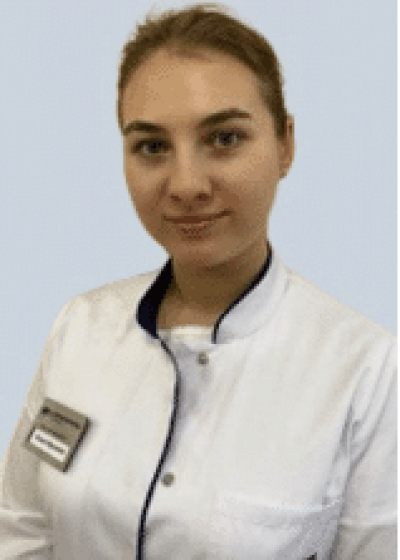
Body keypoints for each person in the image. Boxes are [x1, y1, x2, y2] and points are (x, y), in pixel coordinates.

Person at [0, 3, 396, 559]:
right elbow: (21, 529)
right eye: (152, 147)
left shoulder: (366, 370)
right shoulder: (80, 327)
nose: (186, 185)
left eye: (225, 138)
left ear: (285, 144)